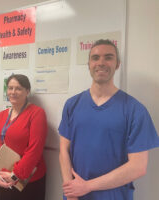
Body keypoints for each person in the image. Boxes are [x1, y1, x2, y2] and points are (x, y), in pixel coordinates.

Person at [58, 39, 159, 200]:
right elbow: (63, 150)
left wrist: (87, 186)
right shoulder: (72, 105)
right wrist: (70, 190)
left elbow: (138, 167)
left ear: (117, 64)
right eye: (95, 58)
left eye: (108, 57)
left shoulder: (134, 110)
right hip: (75, 195)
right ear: (89, 64)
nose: (101, 62)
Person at [0, 74, 48, 200]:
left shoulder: (36, 113)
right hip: (3, 178)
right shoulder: (1, 115)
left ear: (27, 91)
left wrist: (16, 175)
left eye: (18, 88)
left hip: (28, 180)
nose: (13, 92)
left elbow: (35, 149)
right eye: (10, 88)